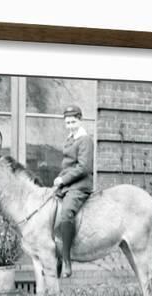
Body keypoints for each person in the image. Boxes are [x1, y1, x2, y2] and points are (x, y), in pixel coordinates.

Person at [53, 105, 94, 277]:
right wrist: (58, 182)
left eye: (73, 122)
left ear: (80, 120)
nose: (70, 125)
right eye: (67, 122)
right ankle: (56, 252)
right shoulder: (70, 139)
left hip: (80, 186)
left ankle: (67, 259)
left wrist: (63, 180)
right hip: (68, 185)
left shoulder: (85, 140)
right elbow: (67, 165)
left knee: (66, 214)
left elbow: (84, 167)